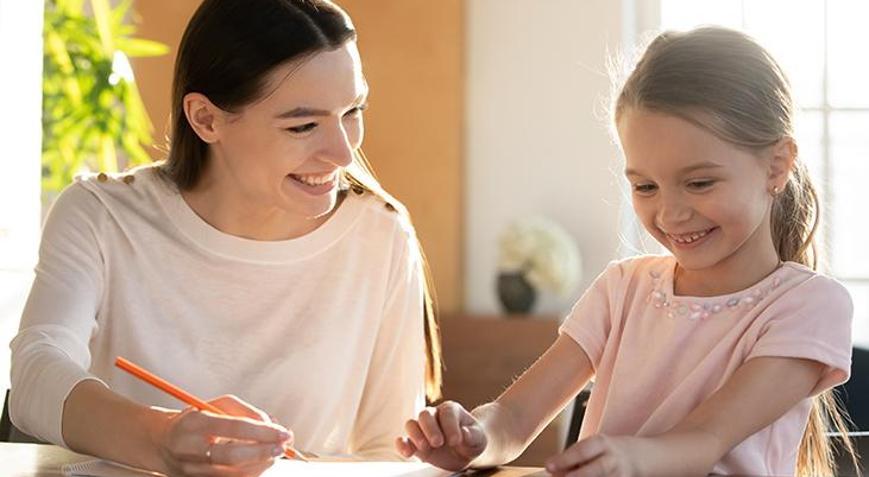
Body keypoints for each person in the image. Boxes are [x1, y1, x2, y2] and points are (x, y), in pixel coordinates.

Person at [397, 27, 857, 477]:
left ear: (777, 166)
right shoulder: (623, 288)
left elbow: (705, 441)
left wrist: (627, 460)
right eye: (645, 186)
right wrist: (473, 438)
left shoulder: (809, 306)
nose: (671, 213)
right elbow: (515, 419)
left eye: (699, 183)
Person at [9, 0, 442, 475]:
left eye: (353, 110)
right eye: (303, 125)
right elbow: (33, 377)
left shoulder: (379, 234)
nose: (342, 152)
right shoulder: (102, 216)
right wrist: (160, 439)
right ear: (205, 119)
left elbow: (391, 452)